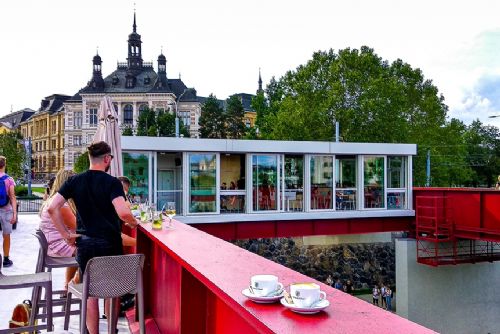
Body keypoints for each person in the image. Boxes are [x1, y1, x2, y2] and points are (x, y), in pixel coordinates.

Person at [48, 141, 139, 334]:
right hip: (110, 245)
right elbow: (123, 213)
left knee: (90, 293)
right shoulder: (112, 182)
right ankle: (112, 330)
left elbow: (51, 207)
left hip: (86, 246)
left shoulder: (75, 181)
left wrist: (66, 235)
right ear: (107, 159)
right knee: (112, 291)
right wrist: (134, 223)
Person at [39, 170, 79, 290]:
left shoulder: (55, 200)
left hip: (53, 245)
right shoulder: (62, 205)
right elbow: (80, 227)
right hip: (57, 247)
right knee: (96, 252)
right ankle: (73, 285)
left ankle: (69, 286)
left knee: (87, 247)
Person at [0, 156, 17, 268]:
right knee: (6, 235)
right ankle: (6, 260)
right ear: (4, 165)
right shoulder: (9, 179)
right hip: (6, 210)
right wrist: (14, 213)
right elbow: (12, 197)